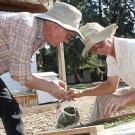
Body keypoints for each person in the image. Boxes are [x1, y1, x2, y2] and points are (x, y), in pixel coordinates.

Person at [0, 2, 83, 135]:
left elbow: (21, 70)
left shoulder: (40, 38)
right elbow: (18, 75)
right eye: (69, 36)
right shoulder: (25, 25)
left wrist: (51, 84)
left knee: (11, 110)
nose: (67, 41)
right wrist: (50, 87)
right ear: (56, 26)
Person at [68, 22, 135, 122]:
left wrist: (124, 99)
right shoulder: (111, 59)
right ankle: (94, 129)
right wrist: (81, 92)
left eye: (100, 44)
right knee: (102, 99)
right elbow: (111, 86)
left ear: (109, 35)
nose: (99, 50)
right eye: (94, 49)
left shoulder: (132, 49)